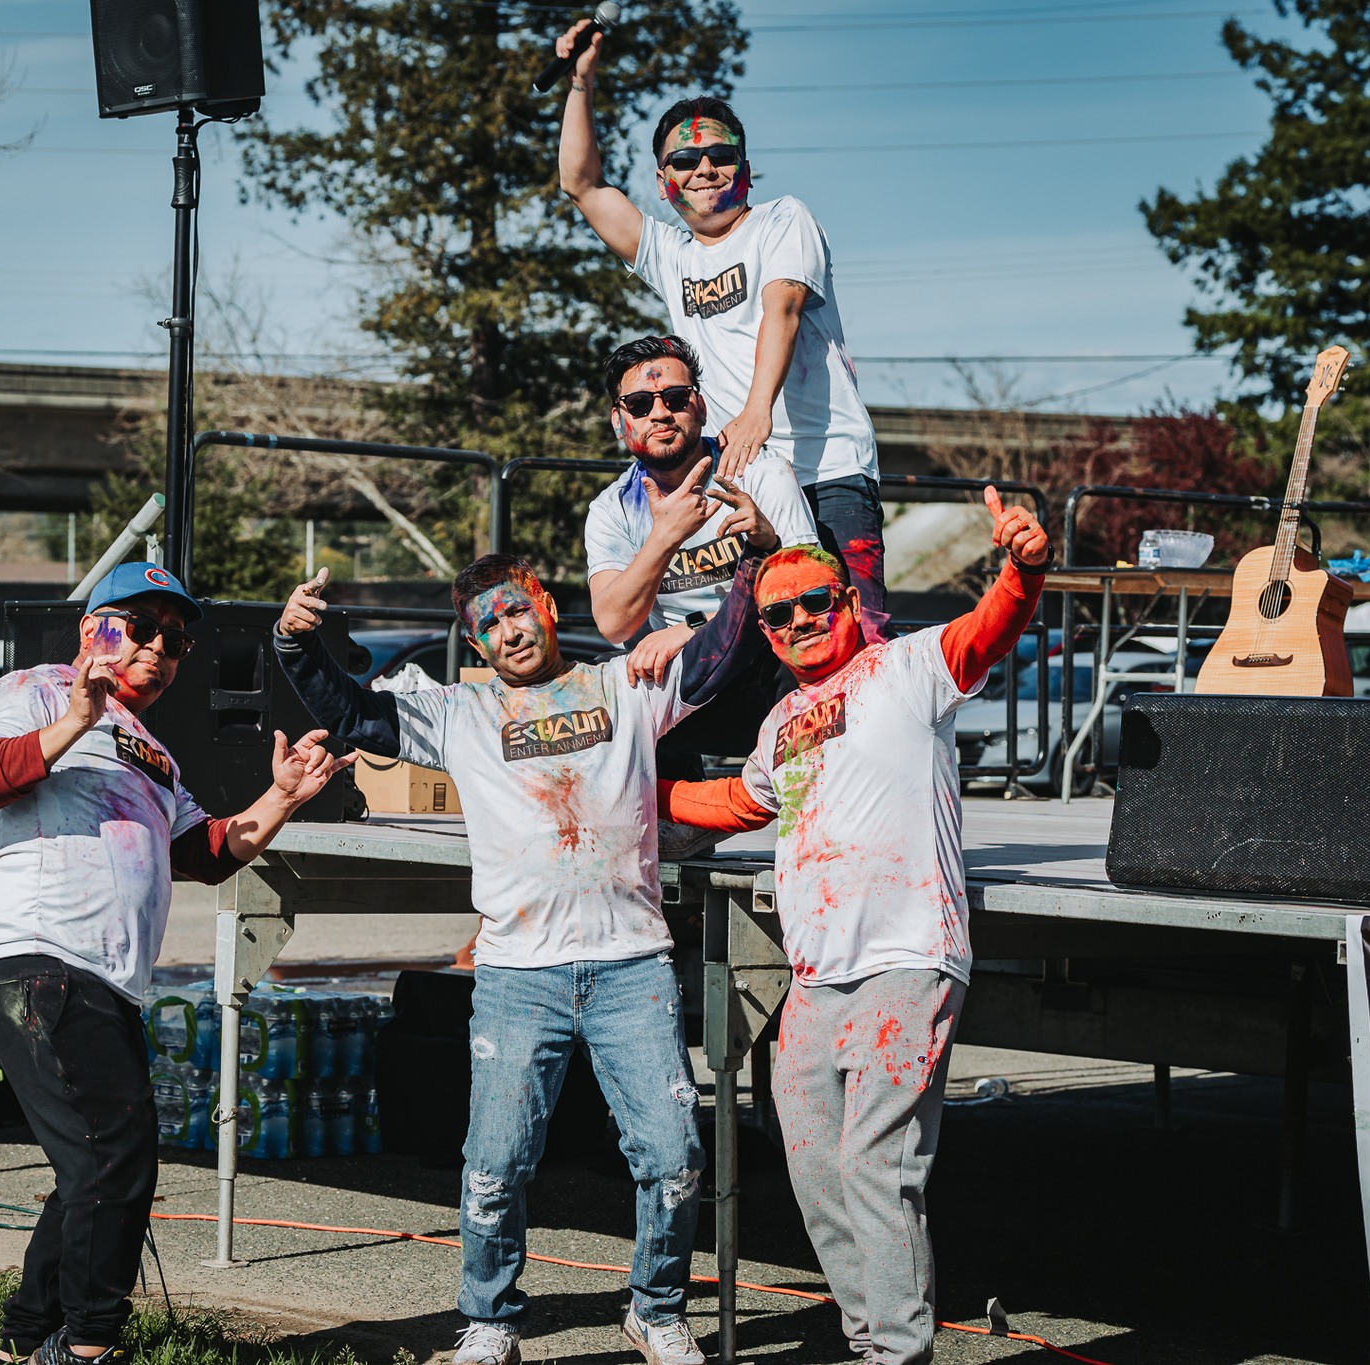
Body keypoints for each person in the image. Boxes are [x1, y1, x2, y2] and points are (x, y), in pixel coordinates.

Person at [271, 492, 778, 1365]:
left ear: (545, 603)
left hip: (632, 966)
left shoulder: (625, 685)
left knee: (674, 1156)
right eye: (489, 624)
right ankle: (490, 1320)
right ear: (475, 644)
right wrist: (292, 641)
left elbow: (722, 657)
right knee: (494, 1163)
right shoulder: (457, 714)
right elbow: (352, 713)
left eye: (517, 609)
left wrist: (753, 564)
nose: (508, 631)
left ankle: (656, 1309)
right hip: (516, 977)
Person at [658, 490, 1050, 1364]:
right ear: (765, 632)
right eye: (780, 613)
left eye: (815, 602)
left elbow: (987, 631)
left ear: (846, 602)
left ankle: (898, 1353)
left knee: (877, 1164)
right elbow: (737, 801)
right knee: (815, 1172)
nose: (800, 619)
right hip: (814, 979)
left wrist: (1023, 569)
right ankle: (869, 1339)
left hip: (907, 959)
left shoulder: (907, 669)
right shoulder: (780, 723)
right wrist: (638, 792)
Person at [0, 562, 353, 1365]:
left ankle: (24, 1344)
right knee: (115, 1156)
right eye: (140, 627)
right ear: (91, 630)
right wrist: (76, 718)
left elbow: (203, 850)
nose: (160, 648)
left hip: (104, 979)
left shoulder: (153, 748)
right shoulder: (35, 690)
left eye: (176, 639)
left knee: (93, 1162)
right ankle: (89, 1343)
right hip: (39, 957)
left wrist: (280, 796)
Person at [559, 32, 889, 637]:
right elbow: (582, 185)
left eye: (720, 154)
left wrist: (757, 410)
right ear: (664, 180)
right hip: (742, 481)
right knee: (765, 650)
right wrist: (581, 80)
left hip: (825, 470)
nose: (704, 169)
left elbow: (782, 309)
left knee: (852, 639)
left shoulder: (782, 219)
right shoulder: (671, 254)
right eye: (685, 160)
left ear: (745, 167)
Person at [585, 334, 818, 786]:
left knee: (806, 654)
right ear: (618, 421)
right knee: (601, 689)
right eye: (639, 404)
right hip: (682, 683)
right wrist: (665, 537)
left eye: (675, 398)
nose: (660, 413)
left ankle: (809, 809)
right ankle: (671, 809)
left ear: (702, 407)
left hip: (762, 669)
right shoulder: (613, 508)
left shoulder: (758, 473)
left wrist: (693, 627)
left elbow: (813, 590)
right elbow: (614, 624)